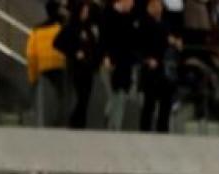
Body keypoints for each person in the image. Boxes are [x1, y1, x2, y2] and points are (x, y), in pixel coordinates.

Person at [55, 0, 103, 129]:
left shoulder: (89, 27)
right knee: (81, 95)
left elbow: (95, 44)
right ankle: (75, 121)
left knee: (86, 96)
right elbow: (58, 43)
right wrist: (74, 52)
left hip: (89, 66)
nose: (86, 14)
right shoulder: (71, 26)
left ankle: (80, 122)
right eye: (84, 11)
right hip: (77, 66)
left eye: (87, 11)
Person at [137, 0, 179, 133]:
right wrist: (146, 59)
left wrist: (175, 42)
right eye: (155, 6)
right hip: (151, 67)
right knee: (149, 102)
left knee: (165, 103)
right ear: (149, 7)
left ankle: (163, 129)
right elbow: (140, 45)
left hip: (165, 67)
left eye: (160, 6)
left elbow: (170, 40)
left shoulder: (165, 23)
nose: (158, 8)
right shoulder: (144, 23)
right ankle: (145, 129)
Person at [27, 0, 68, 127]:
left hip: (43, 66)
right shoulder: (61, 26)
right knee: (62, 94)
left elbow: (31, 54)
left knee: (46, 93)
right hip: (59, 64)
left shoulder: (37, 30)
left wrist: (32, 76)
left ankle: (43, 119)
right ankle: (60, 120)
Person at [100, 0, 139, 130]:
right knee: (114, 93)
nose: (132, 5)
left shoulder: (130, 17)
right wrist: (106, 56)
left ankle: (116, 125)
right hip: (112, 60)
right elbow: (104, 37)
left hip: (125, 62)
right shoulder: (108, 13)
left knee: (122, 93)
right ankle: (109, 118)